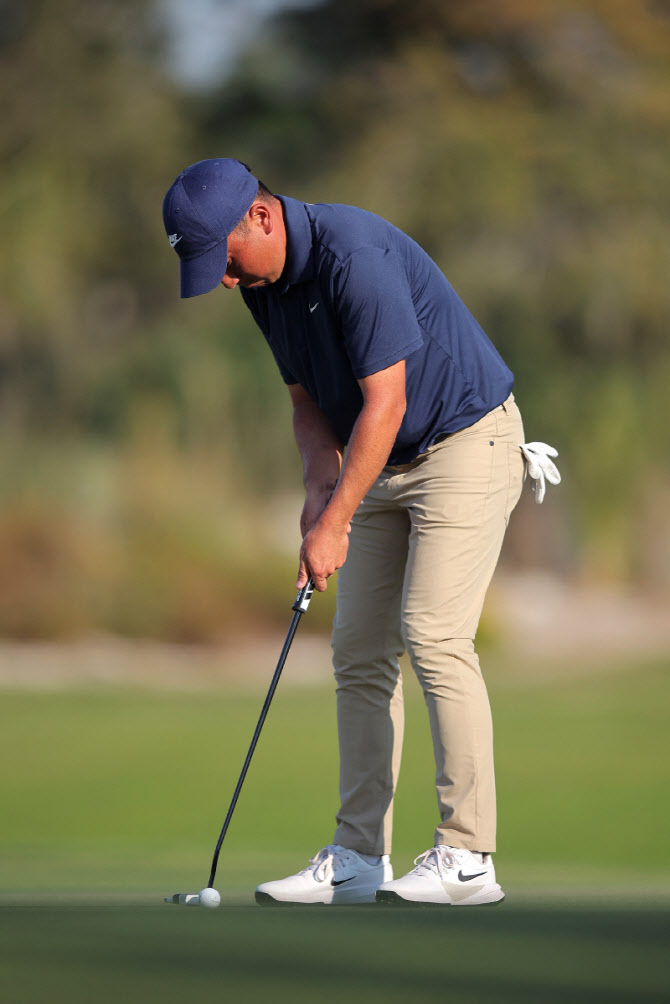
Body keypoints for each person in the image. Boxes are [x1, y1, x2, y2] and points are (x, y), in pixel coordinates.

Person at [162, 158, 560, 906]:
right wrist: (319, 500)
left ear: (262, 217)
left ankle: (467, 856)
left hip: (464, 443)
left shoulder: (353, 254)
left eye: (226, 260)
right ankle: (358, 856)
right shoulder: (264, 287)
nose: (225, 281)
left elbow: (387, 402)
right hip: (383, 458)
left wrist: (338, 520)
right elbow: (307, 406)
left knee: (434, 634)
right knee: (358, 650)